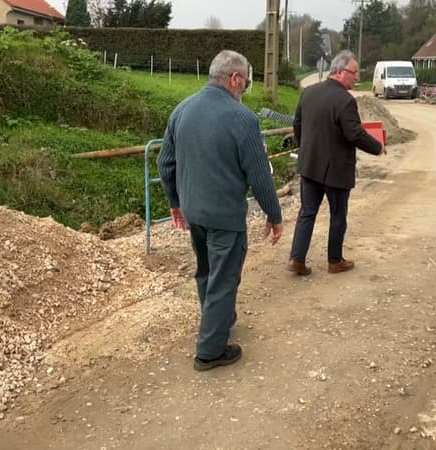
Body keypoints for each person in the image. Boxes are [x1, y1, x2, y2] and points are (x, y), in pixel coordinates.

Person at [158, 50, 284, 371]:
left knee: (206, 271)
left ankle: (217, 319)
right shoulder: (243, 119)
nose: (245, 88)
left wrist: (175, 203)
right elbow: (259, 174)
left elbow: (165, 163)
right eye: (246, 82)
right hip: (225, 216)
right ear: (235, 78)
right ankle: (210, 351)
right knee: (224, 279)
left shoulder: (182, 110)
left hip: (194, 212)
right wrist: (274, 215)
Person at [287, 50, 386, 276]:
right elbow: (355, 134)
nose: (356, 78)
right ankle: (334, 261)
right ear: (340, 72)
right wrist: (377, 147)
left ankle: (297, 259)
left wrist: (306, 149)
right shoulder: (345, 100)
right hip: (337, 169)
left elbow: (297, 126)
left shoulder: (308, 93)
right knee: (338, 215)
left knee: (307, 212)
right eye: (353, 73)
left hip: (310, 165)